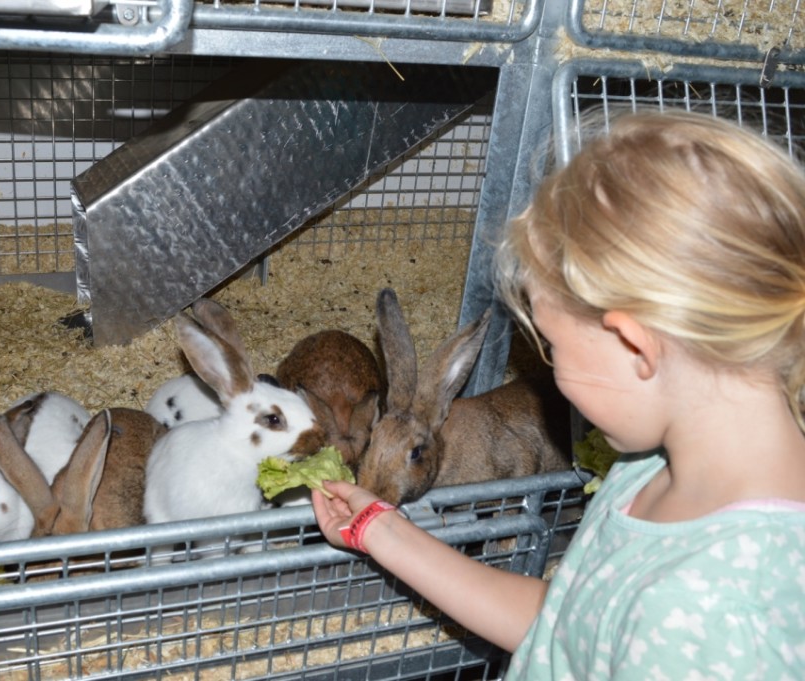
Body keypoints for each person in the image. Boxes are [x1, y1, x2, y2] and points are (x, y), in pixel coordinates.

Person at [312, 109, 805, 679]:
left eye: (551, 347)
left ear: (634, 345)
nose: (549, 373)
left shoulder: (717, 615)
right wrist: (383, 530)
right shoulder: (649, 470)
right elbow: (569, 624)